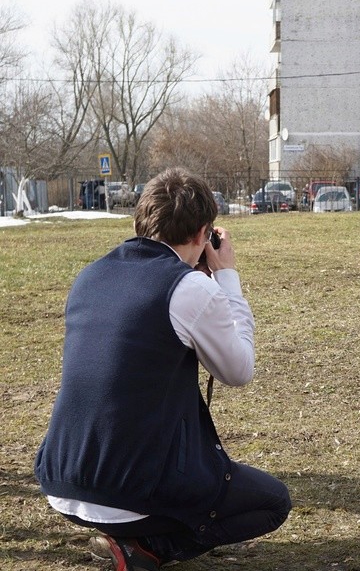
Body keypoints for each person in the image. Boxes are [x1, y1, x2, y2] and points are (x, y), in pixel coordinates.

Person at [34, 167, 291, 571]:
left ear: (141, 220)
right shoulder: (189, 288)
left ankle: (129, 536)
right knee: (273, 503)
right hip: (128, 494)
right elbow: (239, 371)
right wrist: (226, 278)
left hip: (62, 483)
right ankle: (151, 548)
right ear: (203, 233)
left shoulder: (90, 274)